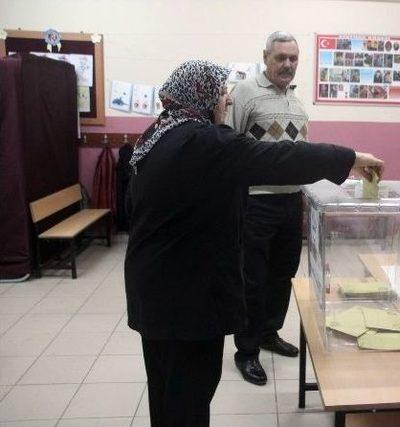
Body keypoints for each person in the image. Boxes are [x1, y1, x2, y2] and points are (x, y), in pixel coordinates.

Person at [124, 59, 384, 426]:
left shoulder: (157, 134)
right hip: (186, 298)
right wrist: (348, 158)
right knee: (190, 393)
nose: (227, 100)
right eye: (220, 92)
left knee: (165, 389)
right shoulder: (202, 140)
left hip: (152, 287)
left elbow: (131, 209)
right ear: (200, 95)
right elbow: (276, 157)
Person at [225, 31, 306, 385]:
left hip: (292, 201)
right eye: (281, 58)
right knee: (253, 279)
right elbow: (228, 147)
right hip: (256, 202)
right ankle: (247, 351)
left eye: (293, 58)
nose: (288, 65)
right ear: (265, 57)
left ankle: (269, 333)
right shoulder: (245, 93)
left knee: (282, 274)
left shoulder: (297, 100)